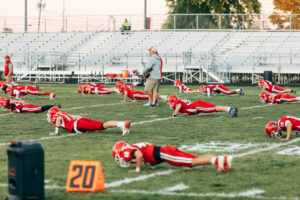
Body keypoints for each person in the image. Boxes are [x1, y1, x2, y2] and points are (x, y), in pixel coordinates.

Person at [112, 141, 232, 173]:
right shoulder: (131, 147)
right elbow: (148, 155)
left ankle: (219, 160)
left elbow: (139, 155)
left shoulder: (126, 151)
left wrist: (138, 169)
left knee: (191, 162)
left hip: (163, 153)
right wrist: (152, 165)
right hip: (164, 151)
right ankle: (221, 161)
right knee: (194, 159)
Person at [47, 106, 131, 136]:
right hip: (79, 123)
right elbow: (75, 116)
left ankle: (122, 124)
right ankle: (122, 125)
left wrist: (56, 132)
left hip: (79, 125)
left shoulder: (56, 116)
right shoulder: (63, 113)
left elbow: (58, 119)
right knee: (101, 126)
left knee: (102, 126)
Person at [167, 95, 238, 117]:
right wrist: (180, 116)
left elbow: (179, 105)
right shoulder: (181, 102)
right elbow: (187, 112)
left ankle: (230, 109)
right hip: (197, 105)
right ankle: (230, 108)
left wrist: (174, 115)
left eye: (170, 103)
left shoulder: (177, 103)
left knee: (214, 108)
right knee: (214, 108)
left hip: (197, 106)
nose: (170, 105)